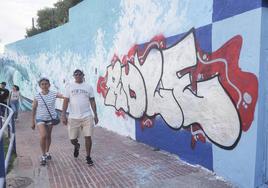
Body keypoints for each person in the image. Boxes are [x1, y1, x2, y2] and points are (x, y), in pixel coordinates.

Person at [61, 69, 98, 166]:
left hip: (87, 116)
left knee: (88, 136)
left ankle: (88, 157)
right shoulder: (69, 87)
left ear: (83, 75)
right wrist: (63, 115)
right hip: (73, 117)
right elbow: (65, 101)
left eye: (79, 74)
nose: (78, 75)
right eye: (76, 74)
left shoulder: (88, 87)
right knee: (72, 139)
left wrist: (96, 115)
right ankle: (76, 146)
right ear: (74, 76)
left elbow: (92, 101)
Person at [31, 78, 63, 166]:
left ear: (49, 85)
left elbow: (64, 96)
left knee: (48, 136)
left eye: (46, 84)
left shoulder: (53, 93)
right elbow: (33, 108)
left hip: (50, 118)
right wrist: (32, 121)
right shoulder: (37, 95)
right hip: (40, 118)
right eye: (42, 84)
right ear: (40, 86)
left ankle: (47, 151)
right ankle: (43, 155)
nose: (44, 85)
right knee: (43, 135)